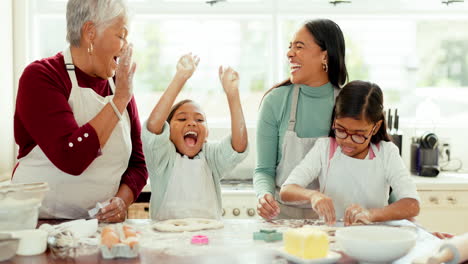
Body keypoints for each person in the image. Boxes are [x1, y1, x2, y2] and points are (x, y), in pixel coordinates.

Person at [12, 0, 148, 223]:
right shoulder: (41, 77)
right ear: (91, 33)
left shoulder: (118, 85)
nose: (126, 47)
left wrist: (122, 202)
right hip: (35, 224)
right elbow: (71, 157)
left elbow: (138, 164)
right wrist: (120, 99)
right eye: (121, 35)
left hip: (95, 228)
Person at [280, 81, 420, 226]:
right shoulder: (325, 148)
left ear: (375, 127)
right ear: (335, 120)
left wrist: (371, 214)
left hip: (375, 237)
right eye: (341, 130)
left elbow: (412, 204)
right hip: (334, 237)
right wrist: (313, 195)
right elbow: (287, 190)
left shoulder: (387, 153)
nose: (347, 141)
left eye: (358, 134)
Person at [254, 19, 348, 219]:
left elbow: (376, 166)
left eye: (299, 47)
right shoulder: (275, 101)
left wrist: (404, 222)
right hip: (282, 217)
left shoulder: (348, 103)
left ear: (325, 55)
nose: (289, 53)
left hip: (332, 219)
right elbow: (264, 169)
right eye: (290, 47)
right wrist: (264, 196)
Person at [142, 54, 248, 220]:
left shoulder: (211, 157)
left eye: (199, 120)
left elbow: (239, 146)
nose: (192, 123)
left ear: (207, 133)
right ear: (167, 130)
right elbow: (153, 128)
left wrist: (232, 95)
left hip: (208, 239)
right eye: (182, 118)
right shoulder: (161, 159)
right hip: (167, 241)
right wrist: (180, 78)